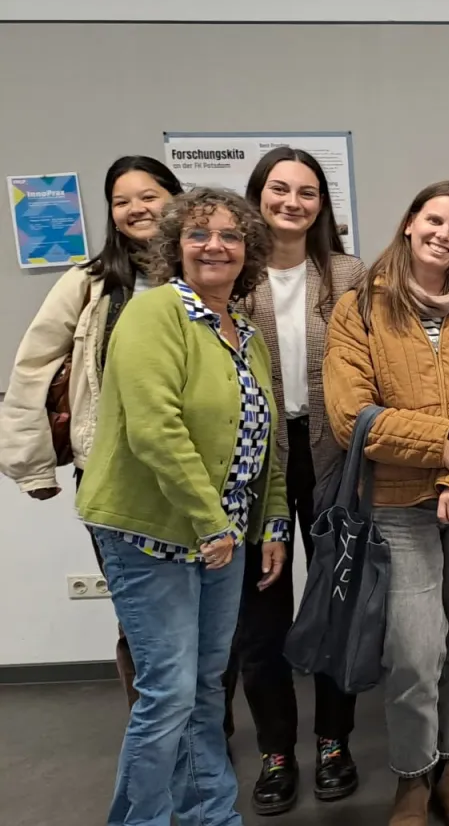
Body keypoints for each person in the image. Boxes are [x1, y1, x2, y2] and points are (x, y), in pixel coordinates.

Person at [75, 186, 289, 826]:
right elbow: (154, 427)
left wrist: (271, 522)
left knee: (203, 688)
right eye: (198, 235)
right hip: (151, 532)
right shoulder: (154, 313)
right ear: (176, 247)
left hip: (222, 536)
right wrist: (210, 523)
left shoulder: (243, 331)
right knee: (167, 692)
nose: (214, 246)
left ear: (247, 250)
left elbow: (264, 437)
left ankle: (209, 814)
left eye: (229, 235)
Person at [323, 180, 449, 826]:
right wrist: (444, 451)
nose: (444, 234)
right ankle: (411, 776)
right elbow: (350, 416)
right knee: (415, 651)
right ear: (410, 223)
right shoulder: (357, 310)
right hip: (396, 502)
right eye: (434, 221)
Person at [0, 155, 181, 707]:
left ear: (175, 198)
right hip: (112, 475)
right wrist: (28, 466)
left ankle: (206, 732)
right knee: (140, 617)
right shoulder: (88, 283)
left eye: (148, 195)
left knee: (209, 613)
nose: (136, 209)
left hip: (199, 472)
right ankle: (156, 734)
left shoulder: (211, 272)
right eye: (122, 201)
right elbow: (32, 368)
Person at [225, 147, 366, 815]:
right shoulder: (232, 273)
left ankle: (334, 741)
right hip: (255, 465)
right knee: (261, 620)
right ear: (257, 195)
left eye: (306, 191)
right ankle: (276, 752)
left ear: (321, 203)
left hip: (334, 459)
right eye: (278, 189)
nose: (292, 201)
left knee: (337, 606)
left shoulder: (347, 273)